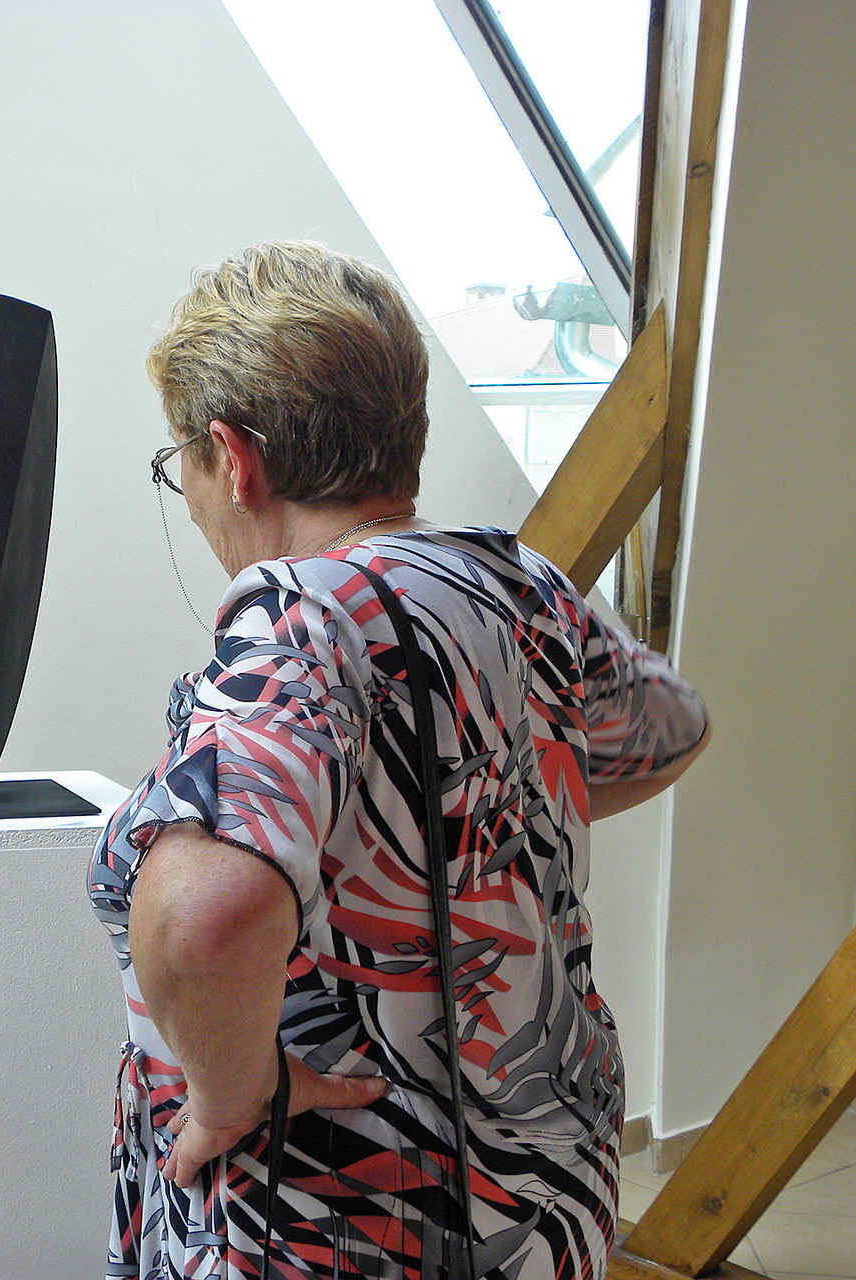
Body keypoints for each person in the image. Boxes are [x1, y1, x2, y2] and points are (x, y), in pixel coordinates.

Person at [88, 241, 709, 1280]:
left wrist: (231, 1094)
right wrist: (482, 808)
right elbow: (669, 725)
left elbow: (202, 916)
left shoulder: (303, 622)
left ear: (233, 458)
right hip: (543, 1198)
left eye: (180, 463)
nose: (188, 494)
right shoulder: (516, 581)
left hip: (344, 1222)